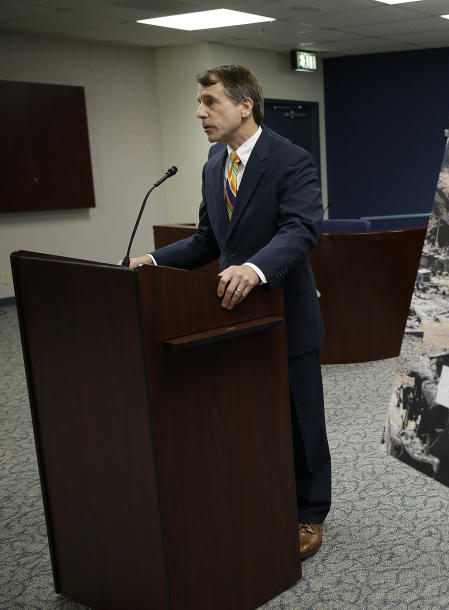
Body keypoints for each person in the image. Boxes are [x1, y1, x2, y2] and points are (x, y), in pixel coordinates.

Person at [126, 64, 330, 560]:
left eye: (210, 102)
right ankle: (263, 495)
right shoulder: (213, 165)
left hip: (285, 312)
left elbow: (301, 229)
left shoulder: (291, 159)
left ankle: (309, 512)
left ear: (245, 105)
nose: (200, 113)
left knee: (301, 421)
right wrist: (152, 260)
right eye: (199, 103)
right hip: (230, 319)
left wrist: (254, 269)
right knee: (246, 416)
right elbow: (207, 241)